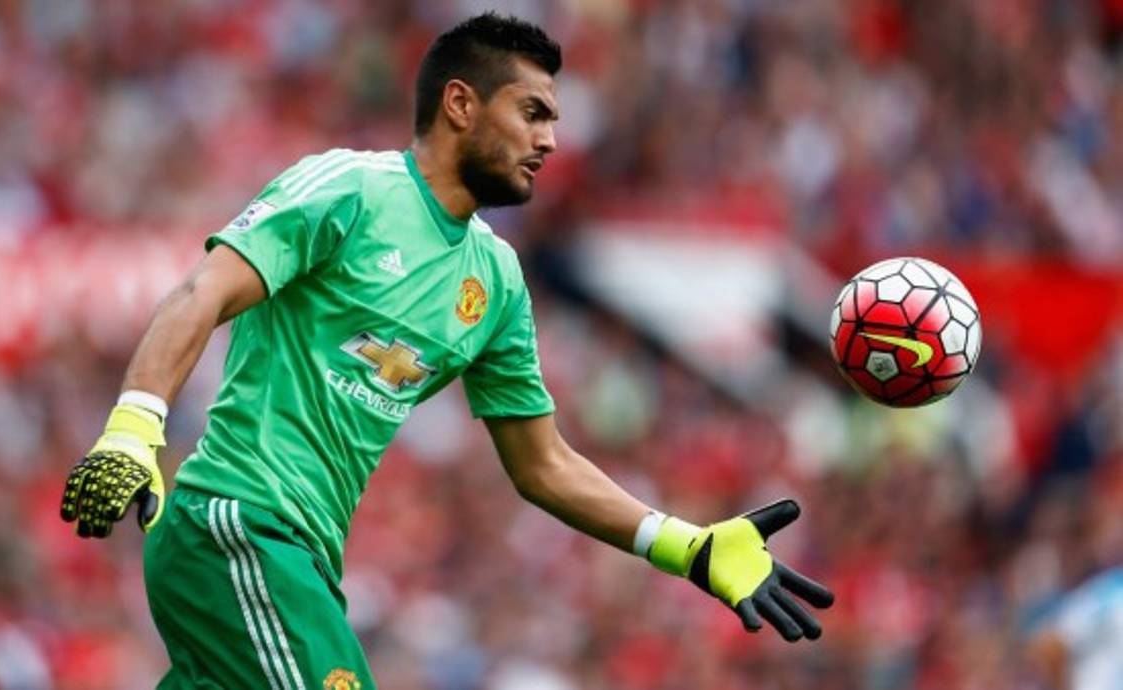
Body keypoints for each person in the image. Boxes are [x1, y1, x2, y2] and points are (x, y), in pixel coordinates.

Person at [58, 12, 834, 689]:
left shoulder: (494, 279)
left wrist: (686, 547)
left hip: (305, 562)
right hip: (236, 526)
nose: (550, 139)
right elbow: (203, 291)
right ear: (460, 103)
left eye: (554, 119)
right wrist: (133, 430)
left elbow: (544, 465)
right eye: (531, 112)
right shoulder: (350, 189)